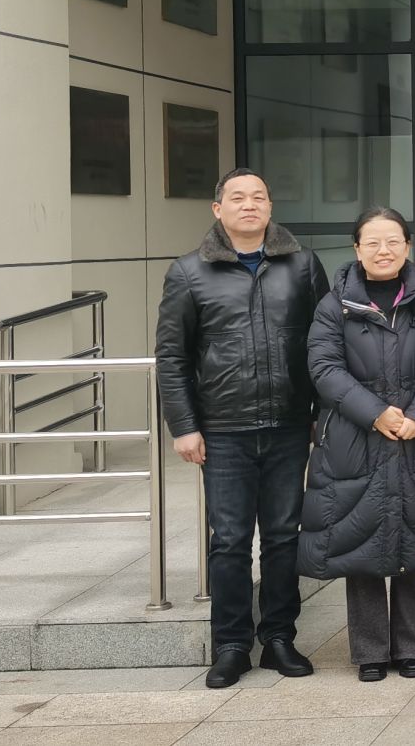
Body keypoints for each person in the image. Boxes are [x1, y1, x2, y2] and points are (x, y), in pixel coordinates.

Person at [155, 167, 330, 689]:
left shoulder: (302, 265)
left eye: (258, 197)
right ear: (218, 209)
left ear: (270, 207)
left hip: (289, 424)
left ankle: (279, 638)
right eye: (237, 197)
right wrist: (184, 426)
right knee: (229, 540)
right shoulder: (188, 272)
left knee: (283, 536)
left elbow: (325, 343)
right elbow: (172, 357)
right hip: (223, 428)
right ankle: (231, 645)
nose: (248, 205)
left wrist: (321, 414)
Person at [298, 208, 415, 682]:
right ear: (357, 249)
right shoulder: (335, 306)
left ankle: (412, 648)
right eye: (372, 242)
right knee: (359, 539)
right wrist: (375, 413)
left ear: (408, 246)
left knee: (414, 535)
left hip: (414, 435)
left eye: (393, 241)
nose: (383, 250)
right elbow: (324, 368)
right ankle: (369, 651)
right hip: (354, 437)